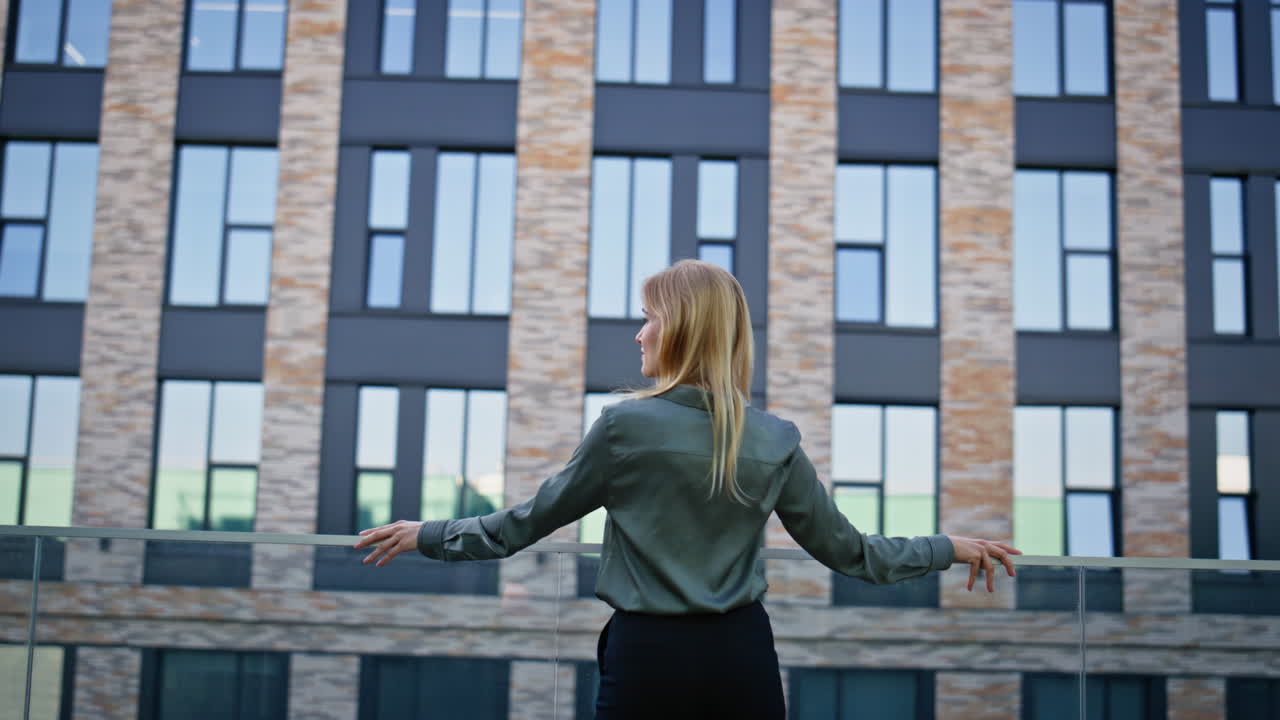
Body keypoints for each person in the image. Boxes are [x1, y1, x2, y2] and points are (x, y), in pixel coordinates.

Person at [354, 259, 1020, 719]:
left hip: (649, 659)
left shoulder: (625, 429)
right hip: (744, 658)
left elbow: (523, 525)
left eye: (648, 317)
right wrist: (949, 547)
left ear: (682, 329)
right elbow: (855, 555)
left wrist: (429, 535)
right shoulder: (774, 438)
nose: (638, 332)